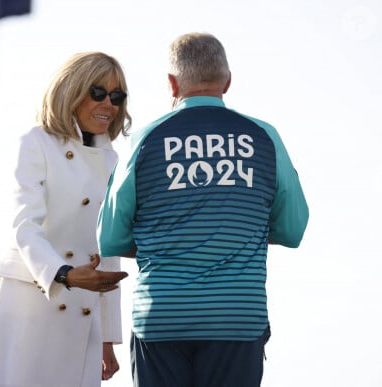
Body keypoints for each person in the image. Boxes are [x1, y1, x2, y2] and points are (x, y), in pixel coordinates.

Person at [97, 32, 309, 387]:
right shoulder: (264, 137)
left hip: (161, 318)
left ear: (172, 82)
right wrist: (239, 232)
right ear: (227, 80)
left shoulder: (146, 138)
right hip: (237, 318)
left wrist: (167, 239)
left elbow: (110, 237)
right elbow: (292, 228)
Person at [0, 52, 131, 387]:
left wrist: (108, 337)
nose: (109, 105)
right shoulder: (36, 143)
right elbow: (24, 226)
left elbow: (108, 246)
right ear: (71, 90)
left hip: (84, 315)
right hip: (29, 305)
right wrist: (64, 274)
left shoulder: (111, 159)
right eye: (98, 93)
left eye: (116, 97)